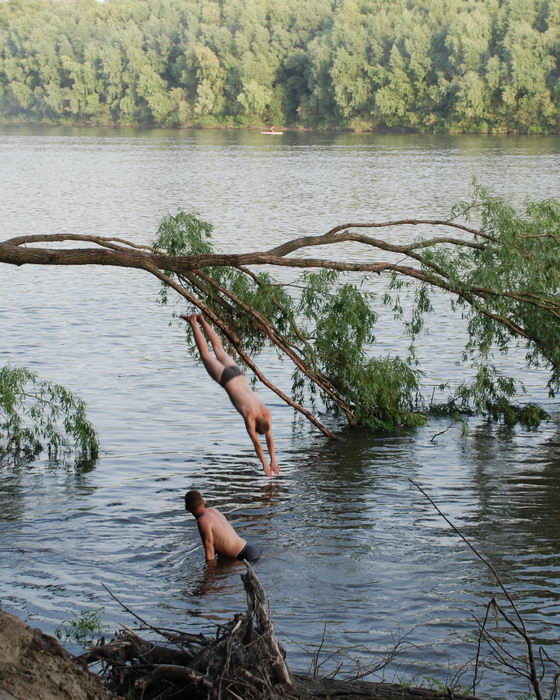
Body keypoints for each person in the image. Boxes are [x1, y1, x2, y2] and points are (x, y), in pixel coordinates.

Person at [182, 313, 279, 477]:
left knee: (218, 349)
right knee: (205, 355)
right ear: (256, 426)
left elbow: (269, 438)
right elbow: (257, 443)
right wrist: (265, 463)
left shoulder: (266, 413)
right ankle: (193, 321)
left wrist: (274, 460)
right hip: (227, 379)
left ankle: (202, 320)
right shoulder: (250, 417)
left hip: (238, 374)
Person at [185, 489, 261, 563]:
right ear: (203, 502)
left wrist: (209, 569)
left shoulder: (202, 521)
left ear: (187, 508)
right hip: (250, 548)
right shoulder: (213, 510)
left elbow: (209, 552)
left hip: (244, 556)